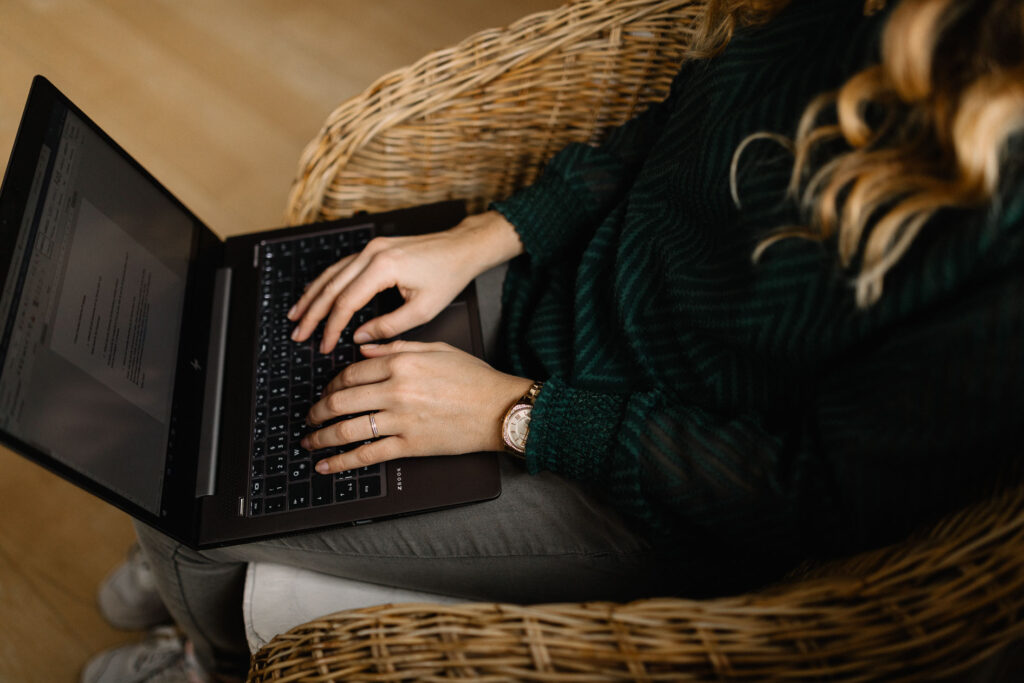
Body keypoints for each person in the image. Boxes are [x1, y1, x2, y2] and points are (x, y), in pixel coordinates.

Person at [82, 0, 1024, 680]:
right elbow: (679, 126)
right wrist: (486, 236)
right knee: (211, 343)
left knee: (191, 506)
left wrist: (509, 411)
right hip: (554, 291)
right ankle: (175, 573)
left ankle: (202, 653)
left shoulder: (1001, 269)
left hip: (641, 489)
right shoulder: (872, 15)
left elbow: (808, 493)